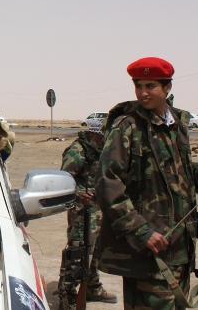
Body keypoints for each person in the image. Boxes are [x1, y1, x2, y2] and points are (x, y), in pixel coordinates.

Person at [96, 57, 198, 310]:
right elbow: (108, 183)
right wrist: (141, 231)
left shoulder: (176, 125)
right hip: (149, 249)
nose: (143, 93)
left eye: (150, 86)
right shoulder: (128, 127)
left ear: (167, 88)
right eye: (138, 86)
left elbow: (175, 177)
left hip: (179, 248)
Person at [57, 128, 117, 309]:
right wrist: (79, 194)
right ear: (95, 133)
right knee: (77, 252)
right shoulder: (78, 151)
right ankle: (67, 295)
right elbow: (63, 182)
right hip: (82, 212)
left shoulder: (103, 150)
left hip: (99, 210)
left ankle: (92, 287)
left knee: (96, 251)